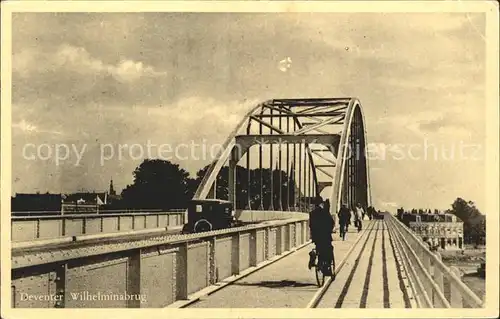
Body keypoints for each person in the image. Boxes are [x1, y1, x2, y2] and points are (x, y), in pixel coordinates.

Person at [308, 197, 334, 276]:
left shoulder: (312, 213)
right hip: (325, 235)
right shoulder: (325, 212)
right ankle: (327, 267)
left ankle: (314, 256)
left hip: (316, 236)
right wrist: (330, 230)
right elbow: (331, 222)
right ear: (321, 203)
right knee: (329, 249)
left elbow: (311, 225)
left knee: (319, 248)